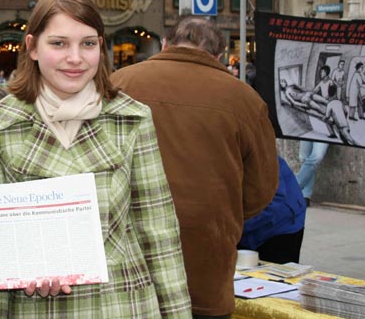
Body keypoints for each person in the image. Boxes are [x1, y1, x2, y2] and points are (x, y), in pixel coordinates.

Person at [0, 0, 191, 318]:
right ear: (32, 47)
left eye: (87, 44)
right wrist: (23, 270)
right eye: (59, 43)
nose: (75, 58)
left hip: (123, 306)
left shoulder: (131, 119)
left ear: (100, 46)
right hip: (38, 311)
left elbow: (159, 234)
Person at [111, 16, 278, 319]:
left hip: (126, 254)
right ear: (219, 55)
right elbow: (261, 189)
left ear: (165, 44)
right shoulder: (245, 99)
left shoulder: (119, 82)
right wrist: (220, 214)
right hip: (205, 258)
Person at [238, 156, 306, 264]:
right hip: (245, 226)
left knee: (276, 271)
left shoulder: (260, 156)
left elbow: (274, 198)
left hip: (281, 225)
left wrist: (238, 226)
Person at [295, 140, 329, 207]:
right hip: (306, 133)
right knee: (304, 158)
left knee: (317, 157)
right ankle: (305, 195)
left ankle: (293, 187)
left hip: (324, 134)